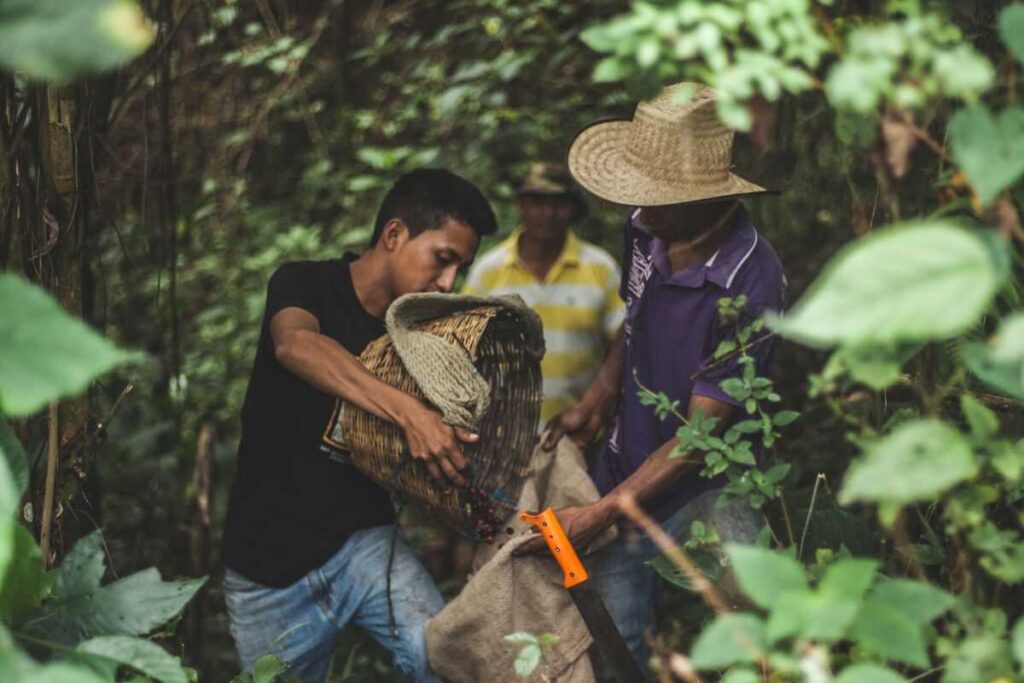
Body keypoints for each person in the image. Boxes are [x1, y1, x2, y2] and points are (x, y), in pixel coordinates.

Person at [520, 83, 787, 666]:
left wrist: (600, 514)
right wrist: (600, 392)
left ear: (705, 198)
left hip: (710, 490)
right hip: (622, 466)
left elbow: (700, 438)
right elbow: (634, 318)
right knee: (612, 647)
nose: (637, 208)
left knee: (747, 646)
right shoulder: (646, 227)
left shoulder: (752, 282)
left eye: (655, 196)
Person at [222, 169, 498, 682]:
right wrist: (409, 412)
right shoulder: (304, 283)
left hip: (365, 542)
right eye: (443, 259)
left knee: (445, 659)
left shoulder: (421, 331)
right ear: (393, 235)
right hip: (266, 568)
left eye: (461, 267)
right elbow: (296, 346)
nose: (448, 283)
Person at [463, 162, 624, 430]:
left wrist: (598, 401)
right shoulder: (489, 270)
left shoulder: (600, 267)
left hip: (578, 434)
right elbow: (462, 345)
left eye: (559, 203)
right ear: (522, 205)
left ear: (572, 208)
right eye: (538, 202)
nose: (548, 213)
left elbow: (623, 340)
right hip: (501, 438)